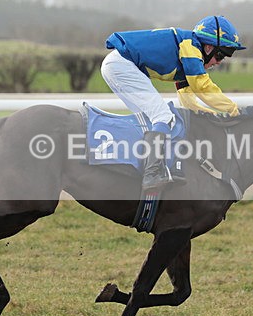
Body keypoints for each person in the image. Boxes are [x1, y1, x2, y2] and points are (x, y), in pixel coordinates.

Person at [102, 15, 245, 191]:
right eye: (220, 55)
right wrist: (233, 108)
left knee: (150, 120)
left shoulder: (187, 54)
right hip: (122, 65)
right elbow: (202, 85)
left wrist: (211, 115)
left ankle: (138, 169)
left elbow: (188, 101)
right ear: (208, 47)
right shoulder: (191, 47)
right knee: (163, 116)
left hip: (117, 64)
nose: (219, 62)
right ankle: (152, 174)